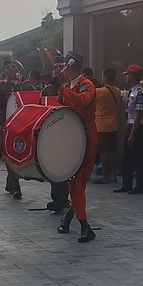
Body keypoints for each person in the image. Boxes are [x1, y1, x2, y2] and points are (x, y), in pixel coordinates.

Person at [55, 51, 98, 242]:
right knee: (76, 181)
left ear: (71, 66)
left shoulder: (86, 85)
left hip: (87, 135)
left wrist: (62, 90)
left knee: (80, 181)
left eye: (64, 65)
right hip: (73, 136)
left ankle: (70, 218)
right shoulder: (70, 86)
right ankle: (83, 225)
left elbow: (82, 101)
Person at [0, 59, 31, 199]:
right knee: (9, 153)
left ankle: (10, 182)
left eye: (14, 67)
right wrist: (0, 97)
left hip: (24, 124)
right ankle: (15, 185)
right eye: (9, 68)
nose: (12, 69)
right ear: (5, 72)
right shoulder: (1, 87)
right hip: (7, 124)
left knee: (20, 151)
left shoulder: (25, 86)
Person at [41, 60, 70, 213]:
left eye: (61, 67)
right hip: (51, 132)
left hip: (68, 132)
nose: (58, 70)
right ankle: (58, 199)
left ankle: (63, 198)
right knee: (53, 165)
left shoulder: (72, 88)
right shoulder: (47, 90)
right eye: (55, 68)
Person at [116, 64, 143, 195]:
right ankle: (127, 183)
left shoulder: (140, 93)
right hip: (130, 124)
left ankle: (140, 185)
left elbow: (139, 114)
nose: (126, 77)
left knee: (138, 157)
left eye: (128, 75)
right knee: (127, 157)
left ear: (132, 76)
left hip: (138, 126)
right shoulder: (132, 91)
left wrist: (133, 134)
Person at [93, 66, 123, 186]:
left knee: (104, 152)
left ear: (105, 77)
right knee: (113, 151)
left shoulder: (99, 92)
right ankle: (113, 174)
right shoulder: (117, 91)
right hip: (113, 125)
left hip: (102, 125)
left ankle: (105, 176)